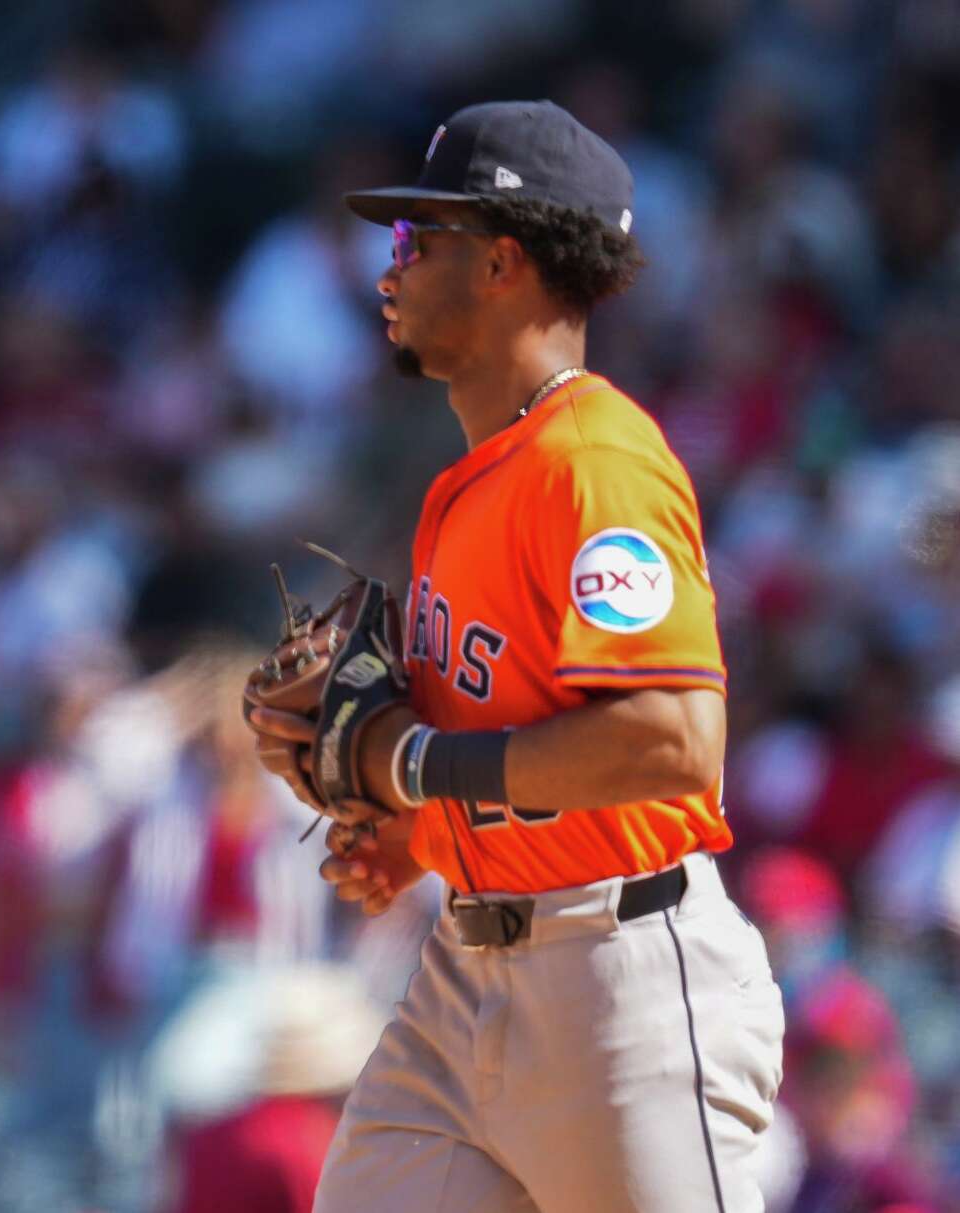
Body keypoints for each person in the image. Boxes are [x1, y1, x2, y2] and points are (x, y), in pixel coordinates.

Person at [251, 101, 785, 1212]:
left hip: (620, 981)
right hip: (461, 979)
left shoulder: (591, 462)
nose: (385, 267)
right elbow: (497, 739)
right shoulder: (474, 479)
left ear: (500, 261)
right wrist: (420, 829)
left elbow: (671, 739)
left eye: (415, 240)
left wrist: (411, 769)